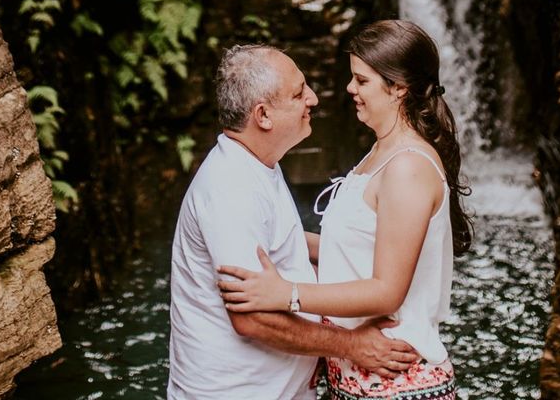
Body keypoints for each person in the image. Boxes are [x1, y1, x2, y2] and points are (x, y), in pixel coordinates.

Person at [218, 21, 470, 400]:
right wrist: (267, 236)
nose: (350, 88)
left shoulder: (408, 167)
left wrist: (286, 293)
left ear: (399, 87)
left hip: (397, 382)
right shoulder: (381, 152)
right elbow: (357, 247)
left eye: (362, 80)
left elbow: (387, 292)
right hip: (359, 380)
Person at [168, 43, 420, 400]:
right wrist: (352, 345)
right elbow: (252, 318)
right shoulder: (231, 189)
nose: (314, 99)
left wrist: (375, 249)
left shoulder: (258, 164)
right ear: (263, 116)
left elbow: (279, 243)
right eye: (299, 92)